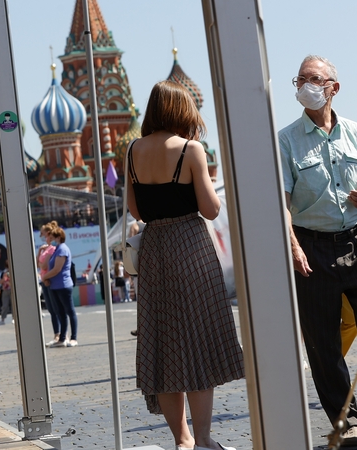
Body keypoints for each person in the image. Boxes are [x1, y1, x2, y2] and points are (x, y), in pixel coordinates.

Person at [127, 80, 243, 450]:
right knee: (198, 341)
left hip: (155, 250)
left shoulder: (132, 150)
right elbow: (210, 209)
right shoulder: (191, 150)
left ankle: (182, 439)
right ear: (181, 111)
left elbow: (136, 210)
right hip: (190, 248)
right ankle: (205, 438)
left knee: (165, 346)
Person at [280, 55, 357, 448]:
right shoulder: (286, 139)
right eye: (300, 79)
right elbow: (280, 203)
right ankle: (346, 422)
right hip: (312, 250)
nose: (305, 85)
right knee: (323, 345)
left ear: (333, 87)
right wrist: (293, 247)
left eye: (313, 78)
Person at [40, 227, 77, 348]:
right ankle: (62, 338)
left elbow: (57, 269)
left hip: (63, 285)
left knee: (70, 311)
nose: (52, 240)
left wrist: (45, 277)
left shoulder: (62, 249)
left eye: (53, 238)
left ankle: (73, 338)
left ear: (59, 237)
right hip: (55, 286)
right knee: (60, 312)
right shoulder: (57, 249)